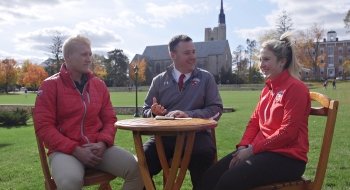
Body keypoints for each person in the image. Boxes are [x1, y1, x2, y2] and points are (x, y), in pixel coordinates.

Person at [199, 32, 311, 190]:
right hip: (260, 151)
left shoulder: (296, 89)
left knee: (228, 182)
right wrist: (243, 147)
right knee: (209, 178)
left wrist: (252, 150)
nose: (261, 64)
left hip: (288, 158)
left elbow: (288, 133)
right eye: (260, 59)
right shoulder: (268, 89)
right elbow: (254, 122)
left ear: (282, 62)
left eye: (266, 59)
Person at [33, 35, 144, 190]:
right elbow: (44, 127)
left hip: (97, 148)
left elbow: (110, 119)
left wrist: (103, 143)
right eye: (84, 54)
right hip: (65, 151)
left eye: (90, 54)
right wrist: (75, 149)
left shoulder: (99, 85)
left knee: (139, 169)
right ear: (68, 57)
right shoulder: (50, 86)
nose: (89, 58)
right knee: (70, 182)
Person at [142, 34, 223, 189]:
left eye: (193, 52)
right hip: (163, 138)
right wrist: (153, 113)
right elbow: (145, 110)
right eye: (187, 53)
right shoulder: (159, 80)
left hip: (197, 137)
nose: (193, 57)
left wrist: (190, 115)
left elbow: (216, 109)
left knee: (204, 156)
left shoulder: (206, 78)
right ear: (173, 55)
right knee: (141, 164)